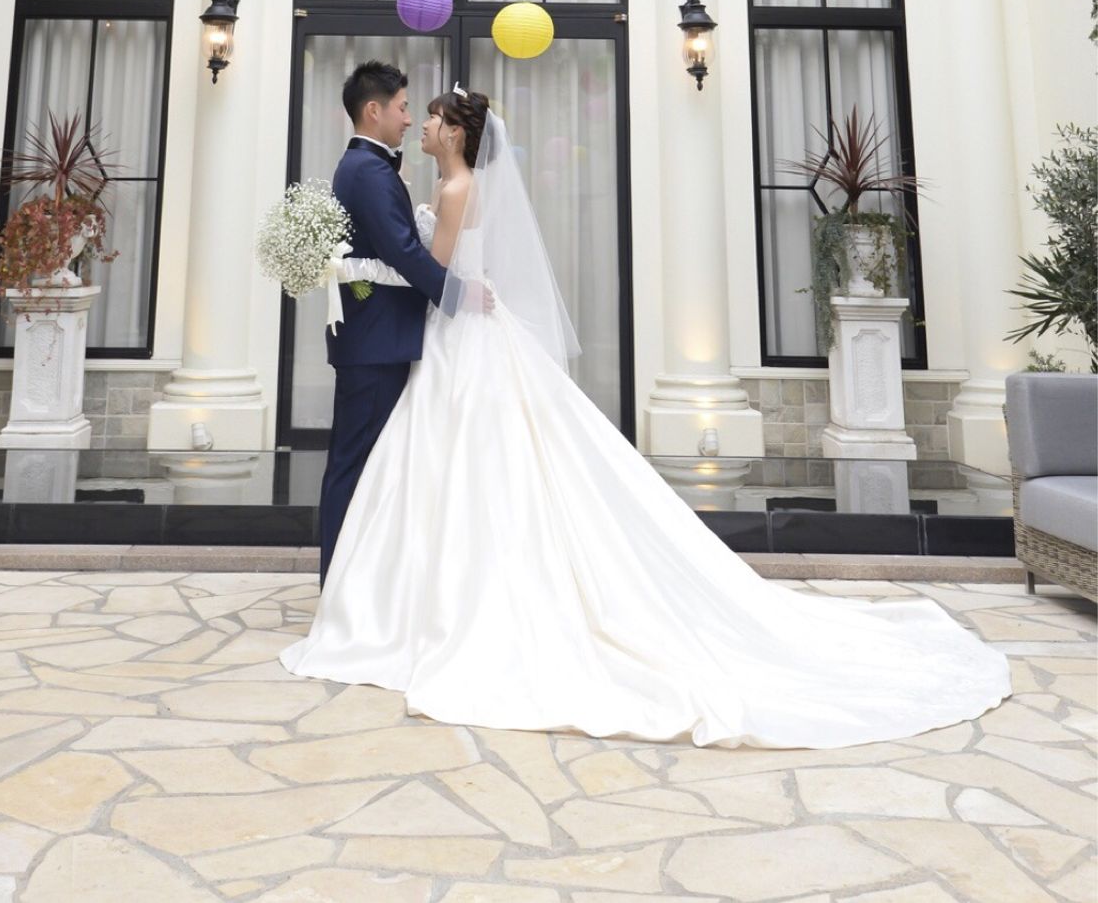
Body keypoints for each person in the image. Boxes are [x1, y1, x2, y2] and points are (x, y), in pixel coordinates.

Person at [284, 85, 1013, 749]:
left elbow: (433, 270)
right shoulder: (447, 183)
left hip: (459, 337)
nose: (420, 122)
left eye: (431, 116)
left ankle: (424, 598)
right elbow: (433, 267)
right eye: (412, 111)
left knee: (456, 463)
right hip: (467, 330)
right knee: (480, 463)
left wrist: (393, 276)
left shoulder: (452, 188)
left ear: (455, 133)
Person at [317, 61, 453, 585]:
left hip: (375, 338)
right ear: (373, 110)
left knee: (366, 463)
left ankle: (355, 582)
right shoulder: (368, 170)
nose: (408, 118)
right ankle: (339, 583)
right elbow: (400, 250)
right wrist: (456, 295)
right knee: (355, 463)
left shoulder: (366, 166)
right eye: (402, 107)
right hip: (374, 342)